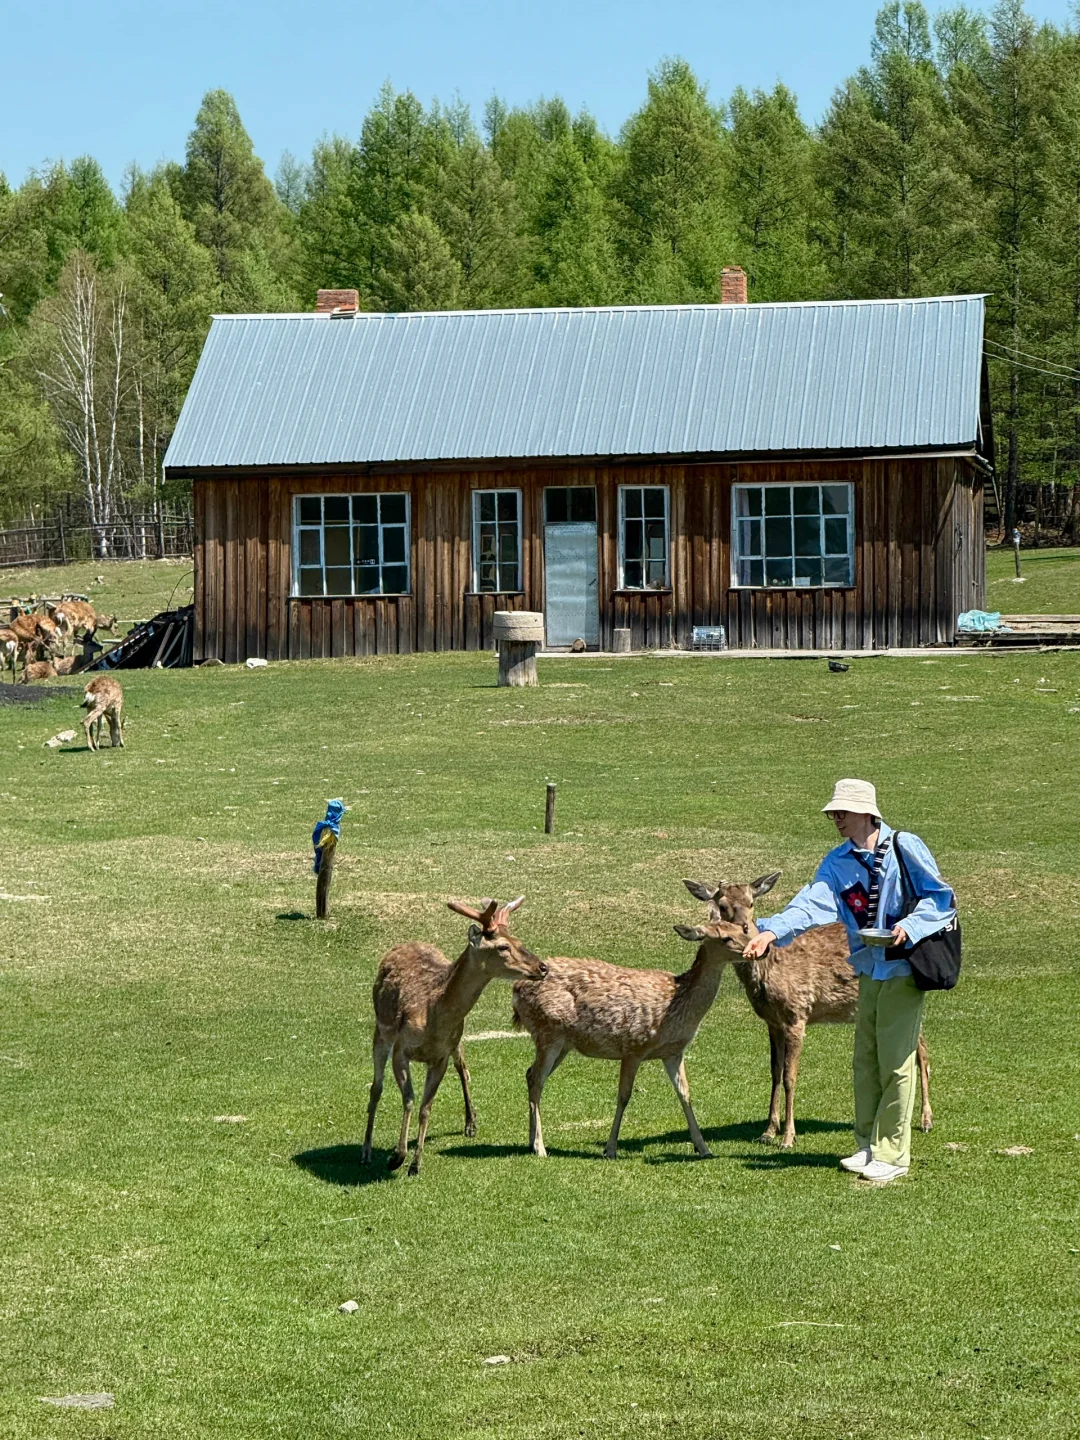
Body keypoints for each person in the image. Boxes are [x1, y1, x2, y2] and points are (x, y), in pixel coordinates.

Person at [743, 778, 955, 1184]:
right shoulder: (838, 862)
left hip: (904, 966)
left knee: (896, 1062)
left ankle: (892, 1154)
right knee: (865, 1060)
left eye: (842, 811)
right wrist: (769, 932)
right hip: (866, 967)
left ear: (866, 812)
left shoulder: (904, 848)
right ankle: (866, 1146)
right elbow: (809, 903)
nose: (836, 818)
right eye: (833, 813)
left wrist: (908, 927)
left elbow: (940, 898)